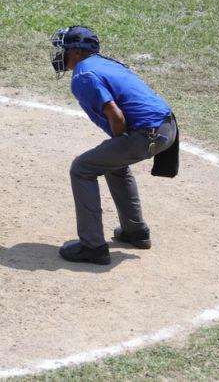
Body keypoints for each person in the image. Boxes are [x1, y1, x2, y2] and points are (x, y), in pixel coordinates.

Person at [50, 26, 178, 265]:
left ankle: (93, 246)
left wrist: (120, 139)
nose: (61, 54)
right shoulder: (106, 63)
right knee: (112, 162)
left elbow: (117, 118)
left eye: (64, 49)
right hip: (167, 128)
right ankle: (135, 231)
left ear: (76, 52)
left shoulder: (83, 75)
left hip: (147, 134)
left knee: (82, 167)